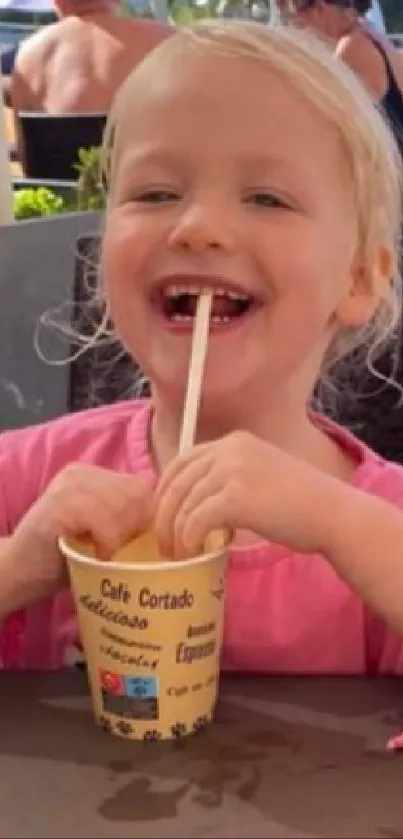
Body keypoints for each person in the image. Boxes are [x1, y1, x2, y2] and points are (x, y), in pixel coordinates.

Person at [2, 20, 403, 681]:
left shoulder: (377, 522)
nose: (198, 227)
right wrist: (20, 564)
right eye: (156, 193)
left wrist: (338, 526)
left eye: (266, 198)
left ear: (357, 278)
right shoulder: (33, 477)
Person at [276, 0, 403, 155]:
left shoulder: (351, 49)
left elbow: (326, 130)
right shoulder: (368, 32)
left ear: (319, 8)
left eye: (296, 16)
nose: (297, 29)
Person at [10, 0, 172, 115]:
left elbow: (26, 151)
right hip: (143, 162)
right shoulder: (167, 41)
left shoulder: (28, 57)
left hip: (62, 164)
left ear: (57, 2)